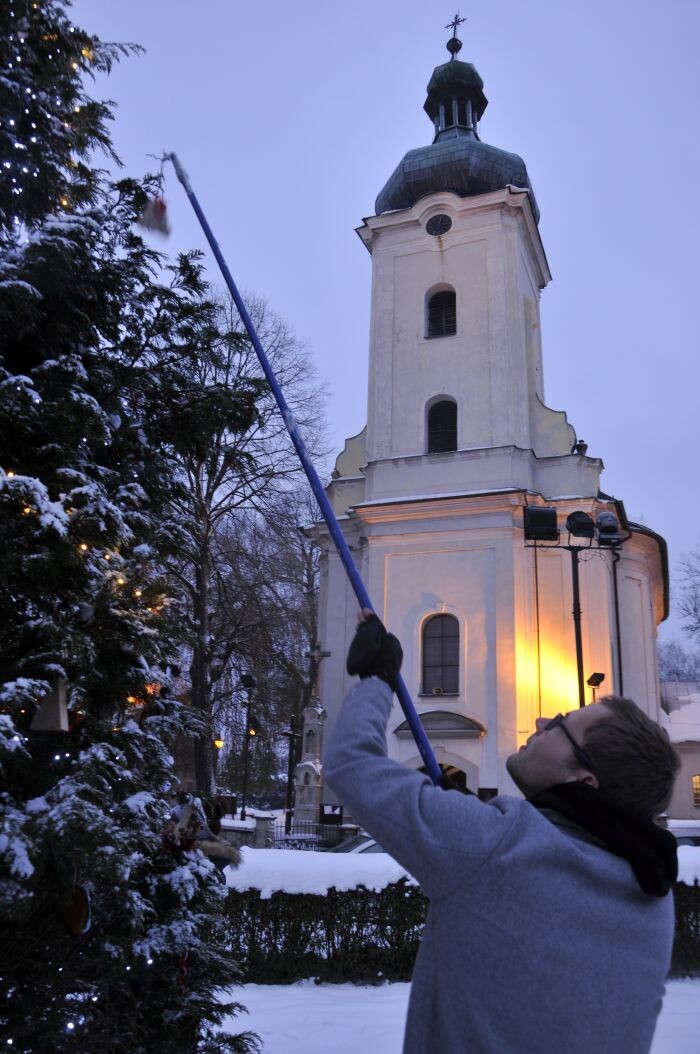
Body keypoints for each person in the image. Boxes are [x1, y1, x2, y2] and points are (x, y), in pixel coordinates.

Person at [325, 612, 680, 1054]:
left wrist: (377, 680)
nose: (539, 723)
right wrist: (465, 816)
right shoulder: (654, 895)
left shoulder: (496, 845)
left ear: (584, 782)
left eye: (560, 724)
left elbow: (351, 766)